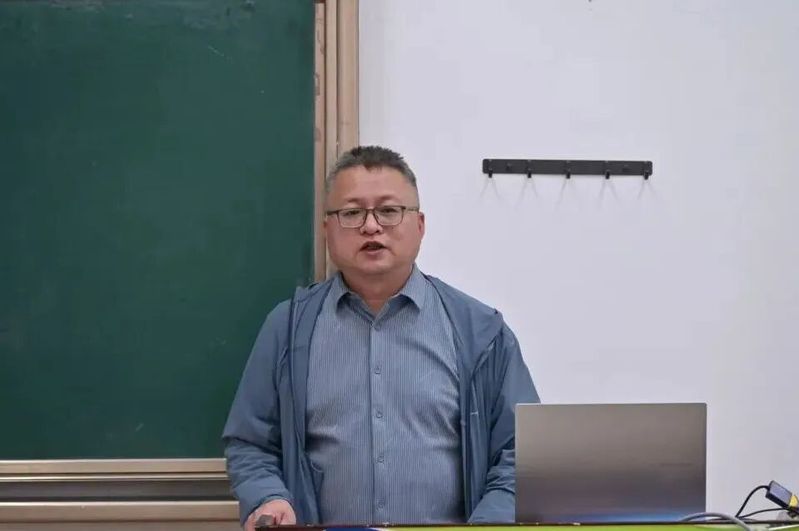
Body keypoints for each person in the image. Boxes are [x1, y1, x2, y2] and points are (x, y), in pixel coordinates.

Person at [222, 146, 539, 530]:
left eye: (389, 211)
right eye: (351, 213)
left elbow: (521, 455)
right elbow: (251, 443)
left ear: (419, 225)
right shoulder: (287, 329)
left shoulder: (482, 332)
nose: (371, 227)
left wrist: (488, 525)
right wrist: (268, 497)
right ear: (327, 230)